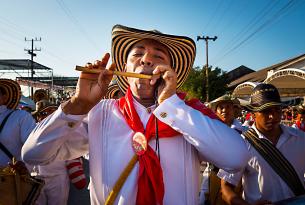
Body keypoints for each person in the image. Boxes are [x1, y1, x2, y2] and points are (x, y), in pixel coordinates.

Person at [22, 25, 249, 205]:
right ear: (125, 69)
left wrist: (172, 106)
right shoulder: (101, 113)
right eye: (137, 54)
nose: (146, 59)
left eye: (158, 56)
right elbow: (33, 155)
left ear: (171, 73)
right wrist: (78, 104)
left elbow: (236, 158)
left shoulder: (188, 114)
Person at [218, 83, 305, 205]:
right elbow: (226, 188)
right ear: (253, 114)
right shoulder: (240, 145)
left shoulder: (300, 139)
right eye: (266, 111)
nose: (273, 116)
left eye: (277, 110)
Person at [199, 94, 247, 205]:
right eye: (221, 107)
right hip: (213, 176)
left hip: (238, 180)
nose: (225, 110)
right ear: (216, 111)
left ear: (234, 110)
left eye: (228, 107)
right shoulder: (211, 130)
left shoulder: (244, 131)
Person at [0, 78, 36, 167]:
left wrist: (24, 164)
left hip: (10, 177)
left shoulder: (21, 117)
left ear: (4, 98)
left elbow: (33, 147)